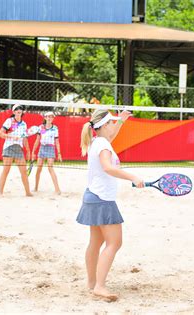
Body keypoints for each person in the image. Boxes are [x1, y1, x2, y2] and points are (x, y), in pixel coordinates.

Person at [77, 109, 145, 301]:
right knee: (115, 242)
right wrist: (133, 177)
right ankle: (99, 286)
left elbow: (111, 135)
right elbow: (108, 167)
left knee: (96, 242)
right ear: (104, 125)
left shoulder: (98, 141)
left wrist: (121, 120)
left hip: (92, 196)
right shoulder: (103, 146)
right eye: (111, 123)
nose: (113, 126)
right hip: (102, 199)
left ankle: (92, 283)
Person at [0, 104, 33, 197]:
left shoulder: (24, 124)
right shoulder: (9, 121)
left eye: (20, 109)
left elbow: (25, 138)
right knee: (6, 170)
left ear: (22, 112)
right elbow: (0, 133)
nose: (19, 110)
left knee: (24, 172)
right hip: (9, 147)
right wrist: (12, 137)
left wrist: (28, 151)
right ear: (13, 112)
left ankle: (28, 192)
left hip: (19, 149)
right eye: (16, 109)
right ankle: (0, 192)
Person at [31, 112, 62, 194]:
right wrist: (33, 152)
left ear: (53, 118)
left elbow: (57, 141)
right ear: (45, 118)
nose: (49, 118)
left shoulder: (55, 128)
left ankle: (57, 189)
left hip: (51, 147)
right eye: (47, 117)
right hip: (42, 147)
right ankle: (36, 187)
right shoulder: (41, 127)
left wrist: (59, 153)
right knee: (39, 168)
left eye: (51, 117)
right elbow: (37, 140)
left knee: (50, 167)